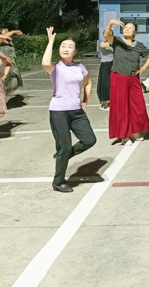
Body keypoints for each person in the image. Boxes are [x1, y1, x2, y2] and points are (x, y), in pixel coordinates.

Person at [42, 27, 96, 193]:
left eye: (70, 46)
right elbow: (44, 63)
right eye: (63, 46)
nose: (66, 49)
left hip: (77, 112)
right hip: (59, 112)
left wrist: (85, 98)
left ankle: (63, 155)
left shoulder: (80, 67)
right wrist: (51, 41)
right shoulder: (55, 68)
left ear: (75, 51)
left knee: (89, 140)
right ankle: (58, 181)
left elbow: (88, 82)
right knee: (64, 147)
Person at [104, 19, 149, 143]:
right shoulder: (117, 41)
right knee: (121, 107)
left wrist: (143, 68)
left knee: (138, 106)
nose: (127, 29)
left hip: (133, 78)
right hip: (119, 77)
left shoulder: (139, 45)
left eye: (130, 28)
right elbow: (106, 35)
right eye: (125, 27)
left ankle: (137, 131)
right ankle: (125, 135)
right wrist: (110, 24)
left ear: (135, 32)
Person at [0, 28, 24, 94]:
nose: (7, 33)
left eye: (7, 31)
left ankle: (4, 93)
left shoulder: (10, 41)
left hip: (12, 64)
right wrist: (13, 31)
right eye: (5, 32)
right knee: (3, 81)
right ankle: (1, 94)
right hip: (3, 64)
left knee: (15, 81)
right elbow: (2, 38)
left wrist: (17, 34)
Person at [97, 25, 114, 111]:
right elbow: (103, 46)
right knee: (104, 84)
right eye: (107, 34)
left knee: (114, 84)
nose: (108, 35)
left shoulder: (116, 44)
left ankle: (112, 102)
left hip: (114, 64)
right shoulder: (102, 43)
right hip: (105, 65)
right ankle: (105, 103)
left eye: (110, 34)